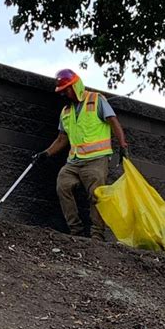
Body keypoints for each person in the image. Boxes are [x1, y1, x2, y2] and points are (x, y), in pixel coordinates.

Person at [33, 69, 128, 241]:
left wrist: (122, 145)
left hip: (96, 159)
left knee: (96, 194)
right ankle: (76, 231)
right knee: (63, 184)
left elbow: (113, 121)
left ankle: (97, 235)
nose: (65, 93)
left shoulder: (96, 100)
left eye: (67, 89)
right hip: (74, 161)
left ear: (76, 85)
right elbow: (62, 139)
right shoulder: (66, 112)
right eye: (62, 91)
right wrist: (45, 153)